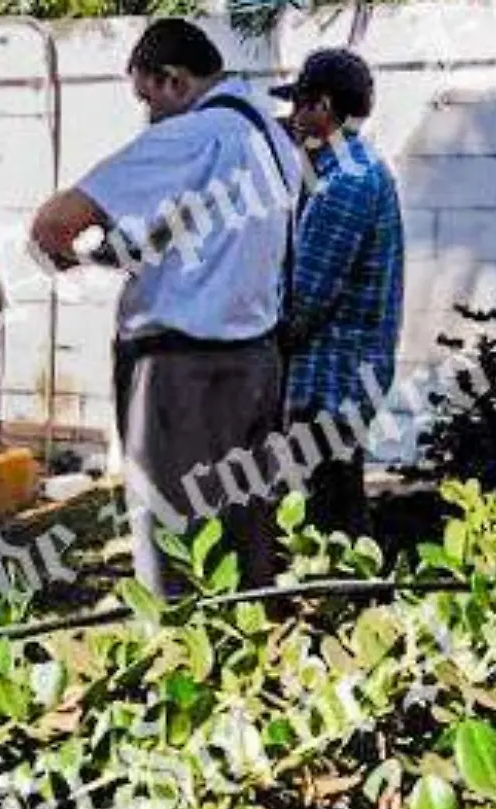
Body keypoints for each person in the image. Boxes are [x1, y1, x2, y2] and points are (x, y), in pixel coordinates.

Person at [30, 18, 303, 599]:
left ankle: (177, 655)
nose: (148, 113)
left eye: (148, 97)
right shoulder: (273, 139)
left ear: (175, 81)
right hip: (257, 362)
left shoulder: (187, 136)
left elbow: (54, 224)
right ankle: (247, 654)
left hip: (179, 372)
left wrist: (71, 260)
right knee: (244, 528)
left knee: (171, 534)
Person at [273, 48, 404, 540]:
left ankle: (347, 605)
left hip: (330, 378)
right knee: (334, 502)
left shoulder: (344, 182)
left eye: (299, 107)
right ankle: (351, 602)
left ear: (322, 107)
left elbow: (304, 301)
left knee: (329, 515)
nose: (293, 120)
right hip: (345, 375)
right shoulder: (353, 167)